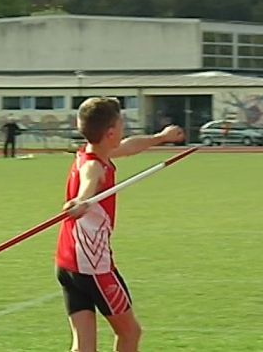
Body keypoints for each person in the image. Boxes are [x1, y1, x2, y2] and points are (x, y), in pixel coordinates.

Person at [57, 97, 184, 352]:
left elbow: (129, 146)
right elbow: (88, 183)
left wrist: (161, 137)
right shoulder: (94, 166)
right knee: (130, 333)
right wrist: (81, 201)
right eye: (122, 123)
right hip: (93, 266)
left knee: (83, 347)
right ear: (111, 132)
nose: (125, 129)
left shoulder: (92, 151)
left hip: (67, 261)